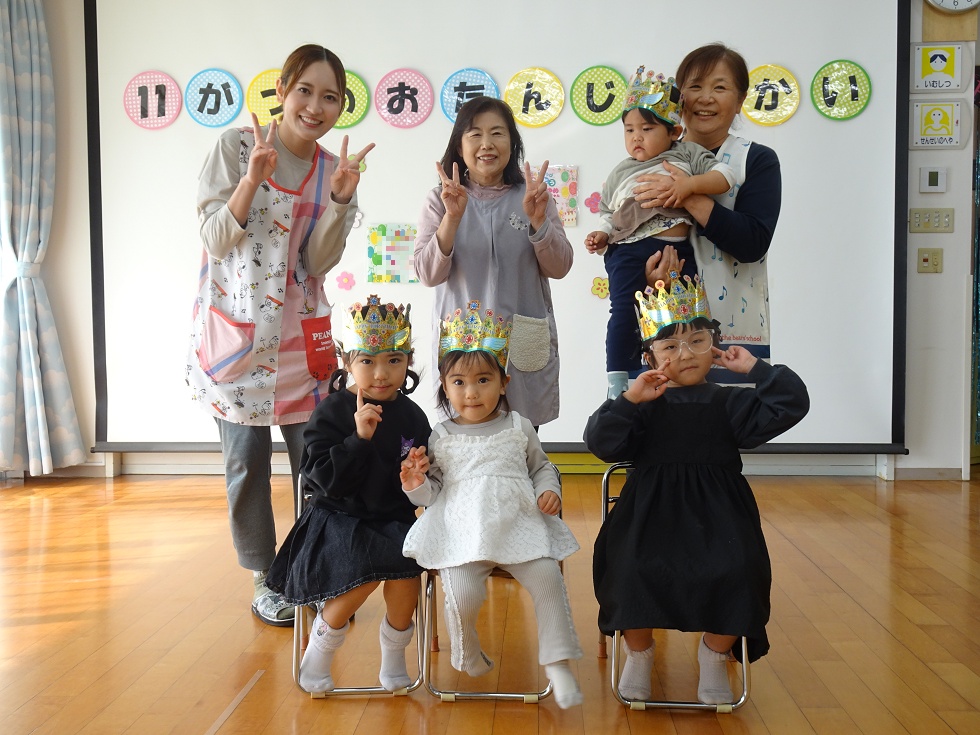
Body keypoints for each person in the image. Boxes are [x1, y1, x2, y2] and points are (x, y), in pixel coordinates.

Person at [185, 45, 375, 626]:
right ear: (283, 91)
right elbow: (215, 238)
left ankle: (310, 568)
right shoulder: (237, 148)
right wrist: (251, 182)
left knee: (314, 463)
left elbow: (317, 263)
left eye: (330, 97)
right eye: (305, 91)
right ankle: (265, 577)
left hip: (300, 339)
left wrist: (341, 200)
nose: (315, 107)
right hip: (237, 335)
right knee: (246, 465)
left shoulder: (333, 169)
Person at [584, 277, 808, 704]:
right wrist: (629, 400)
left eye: (697, 342)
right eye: (670, 346)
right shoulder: (643, 404)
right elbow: (601, 442)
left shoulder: (730, 402)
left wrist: (756, 369)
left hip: (719, 517)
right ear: (650, 357)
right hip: (648, 517)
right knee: (629, 569)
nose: (685, 354)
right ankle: (639, 654)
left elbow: (791, 403)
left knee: (740, 571)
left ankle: (714, 655)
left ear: (715, 347)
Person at [399, 301, 584, 709]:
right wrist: (416, 485)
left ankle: (557, 663)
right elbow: (432, 492)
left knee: (548, 582)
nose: (472, 392)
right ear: (445, 387)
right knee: (462, 595)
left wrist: (548, 490)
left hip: (520, 527)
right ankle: (467, 651)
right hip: (462, 533)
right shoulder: (440, 434)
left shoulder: (519, 426)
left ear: (503, 382)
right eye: (459, 382)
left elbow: (542, 468)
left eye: (483, 380)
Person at [265, 295, 431, 693]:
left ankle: (394, 656)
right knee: (361, 571)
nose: (381, 373)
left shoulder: (413, 416)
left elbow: (421, 488)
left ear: (408, 361)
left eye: (394, 360)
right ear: (346, 362)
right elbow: (324, 481)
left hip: (391, 518)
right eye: (368, 361)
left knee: (407, 571)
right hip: (337, 517)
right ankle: (319, 651)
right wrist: (358, 439)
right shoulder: (333, 411)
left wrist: (417, 476)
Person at [414, 97, 574, 427]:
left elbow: (560, 267)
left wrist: (538, 222)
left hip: (521, 341)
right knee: (463, 443)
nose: (487, 144)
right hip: (463, 346)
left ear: (512, 143)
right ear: (459, 146)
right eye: (475, 134)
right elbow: (428, 274)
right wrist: (452, 219)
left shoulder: (533, 197)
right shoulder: (440, 200)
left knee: (522, 438)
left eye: (497, 133)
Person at [634, 43, 781, 384]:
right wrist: (647, 276)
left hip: (731, 337)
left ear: (740, 100)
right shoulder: (648, 154)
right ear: (679, 98)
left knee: (730, 414)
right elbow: (627, 234)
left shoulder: (755, 160)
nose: (705, 98)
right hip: (663, 333)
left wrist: (686, 192)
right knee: (659, 414)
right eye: (695, 86)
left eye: (720, 87)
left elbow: (752, 243)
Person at [584, 66, 735, 399]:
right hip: (628, 249)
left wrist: (689, 186)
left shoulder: (686, 154)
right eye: (629, 130)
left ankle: (695, 376)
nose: (636, 137)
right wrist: (602, 234)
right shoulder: (620, 171)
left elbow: (725, 176)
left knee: (690, 315)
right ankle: (619, 379)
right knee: (625, 312)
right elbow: (608, 211)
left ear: (674, 131)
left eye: (647, 128)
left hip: (678, 248)